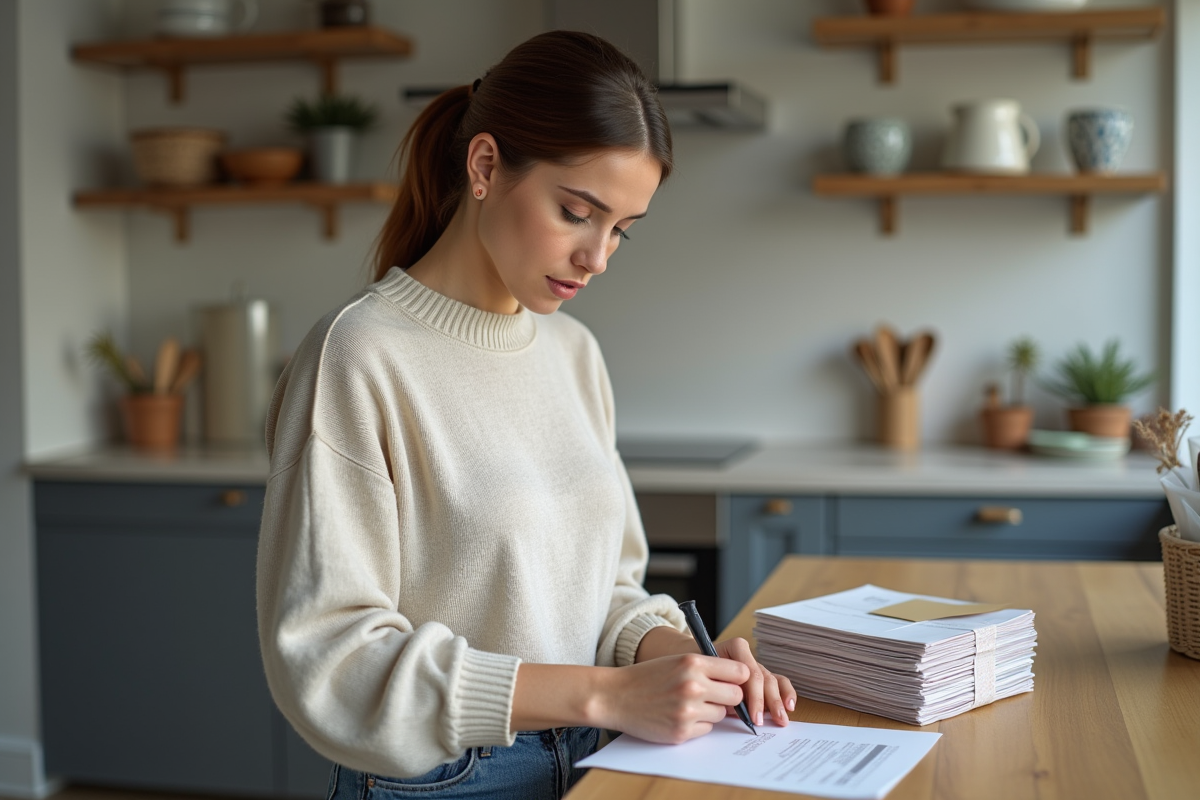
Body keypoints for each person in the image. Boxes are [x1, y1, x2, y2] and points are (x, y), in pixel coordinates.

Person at [256, 29, 796, 800]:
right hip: (446, 781)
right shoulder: (358, 355)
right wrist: (602, 695)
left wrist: (677, 657)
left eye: (621, 231)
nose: (597, 257)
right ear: (484, 167)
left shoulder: (572, 352)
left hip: (600, 759)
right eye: (578, 212)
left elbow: (605, 590)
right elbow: (332, 659)